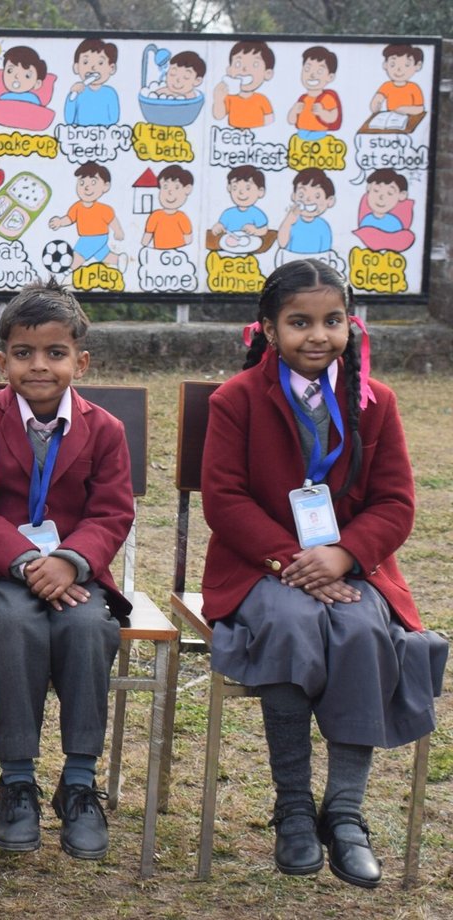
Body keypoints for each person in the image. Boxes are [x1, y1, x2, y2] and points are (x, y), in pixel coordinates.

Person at [201, 258, 446, 888]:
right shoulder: (236, 400)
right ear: (269, 328)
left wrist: (343, 555)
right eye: (300, 322)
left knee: (363, 630)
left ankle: (344, 812)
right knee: (290, 624)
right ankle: (292, 809)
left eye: (332, 321)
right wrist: (292, 560)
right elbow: (224, 500)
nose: (318, 335)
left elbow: (395, 503)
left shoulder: (376, 401)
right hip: (261, 569)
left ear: (349, 324)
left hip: (353, 570)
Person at [0, 281, 133, 861]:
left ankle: (78, 783)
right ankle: (18, 781)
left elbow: (111, 513)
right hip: (1, 574)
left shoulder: (106, 429)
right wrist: (29, 563)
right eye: (23, 354)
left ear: (82, 361)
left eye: (56, 353)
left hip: (77, 576)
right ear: (2, 362)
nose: (40, 366)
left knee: (89, 627)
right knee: (15, 625)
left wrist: (70, 562)